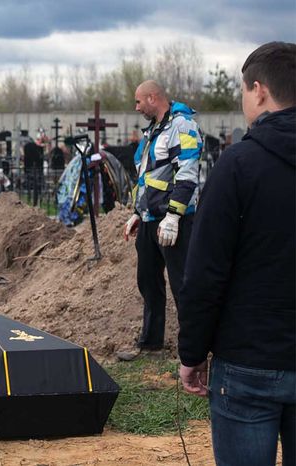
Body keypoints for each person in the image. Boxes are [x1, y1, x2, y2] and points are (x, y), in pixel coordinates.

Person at [178, 41, 295, 466]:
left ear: (259, 90)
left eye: (244, 91)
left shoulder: (238, 165)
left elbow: (206, 272)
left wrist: (192, 353)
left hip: (248, 362)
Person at [117, 80, 201, 361]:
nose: (136, 106)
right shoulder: (153, 130)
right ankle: (150, 343)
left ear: (153, 98)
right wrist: (137, 213)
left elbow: (187, 174)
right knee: (148, 281)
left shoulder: (182, 125)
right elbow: (146, 177)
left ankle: (192, 351)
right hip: (151, 219)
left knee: (182, 284)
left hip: (174, 221)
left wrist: (174, 217)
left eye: (139, 101)